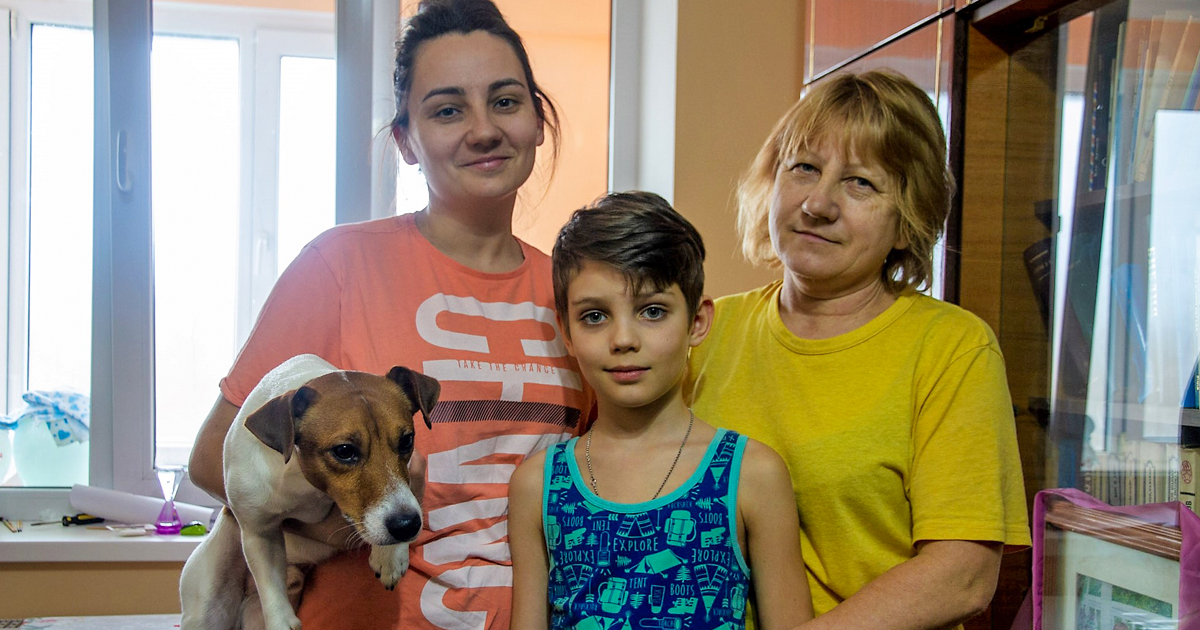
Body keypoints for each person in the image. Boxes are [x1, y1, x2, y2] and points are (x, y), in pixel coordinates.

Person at [188, 1, 594, 628]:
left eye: (507, 101)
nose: (483, 129)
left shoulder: (579, 292)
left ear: (538, 122)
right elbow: (215, 456)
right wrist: (361, 517)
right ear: (405, 140)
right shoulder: (338, 266)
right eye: (448, 109)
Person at [685, 70, 1031, 630]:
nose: (817, 204)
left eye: (861, 183)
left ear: (907, 220)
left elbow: (963, 574)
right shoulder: (705, 330)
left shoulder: (952, 348)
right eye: (804, 168)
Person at [509, 192, 813, 630]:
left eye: (652, 311)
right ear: (566, 333)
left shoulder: (752, 475)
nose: (623, 339)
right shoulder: (538, 485)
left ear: (697, 321)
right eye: (595, 316)